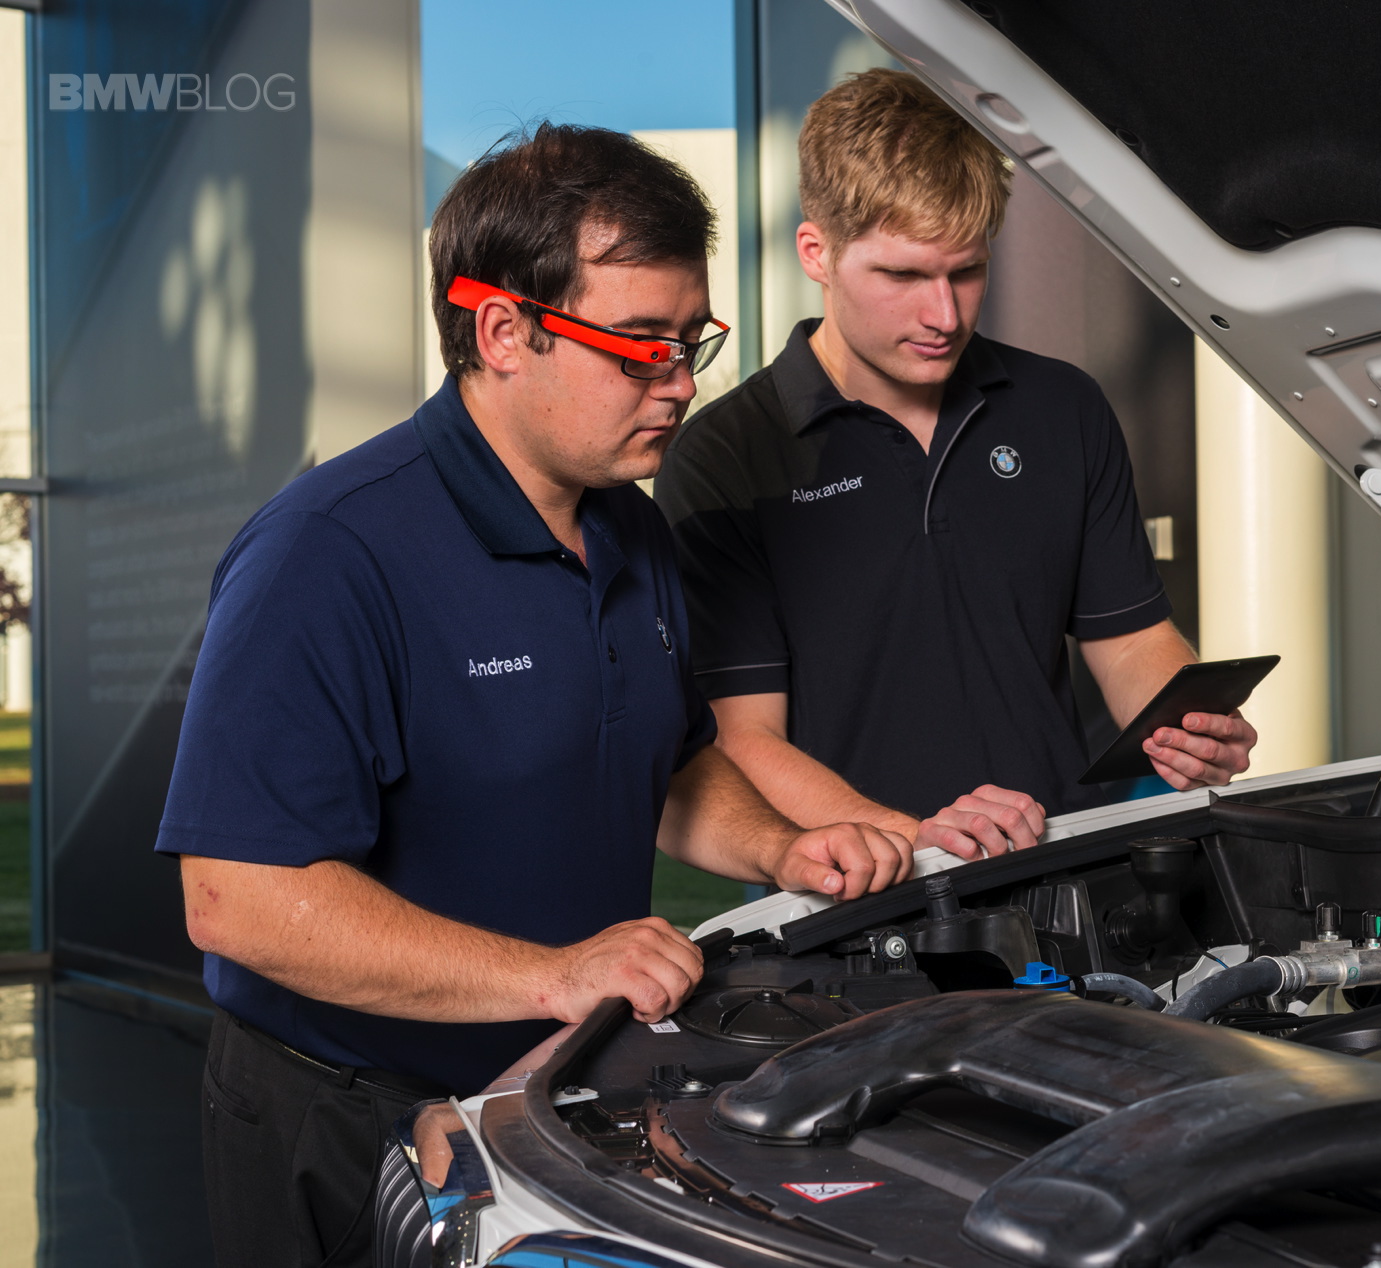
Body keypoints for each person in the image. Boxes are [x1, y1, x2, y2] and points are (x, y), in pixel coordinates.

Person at [156, 123, 912, 1268]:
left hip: (553, 1086)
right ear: (503, 331)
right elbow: (237, 898)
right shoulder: (327, 550)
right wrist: (552, 973)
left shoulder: (632, 527)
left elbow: (665, 757)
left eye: (690, 341)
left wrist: (781, 845)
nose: (679, 383)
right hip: (352, 1115)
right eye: (639, 347)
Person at [654, 70, 1258, 863]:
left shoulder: (1063, 408)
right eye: (903, 275)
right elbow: (742, 739)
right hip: (855, 904)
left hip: (1063, 869)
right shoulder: (726, 460)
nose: (944, 315)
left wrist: (1187, 726)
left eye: (967, 271)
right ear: (816, 253)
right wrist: (921, 842)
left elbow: (1131, 641)